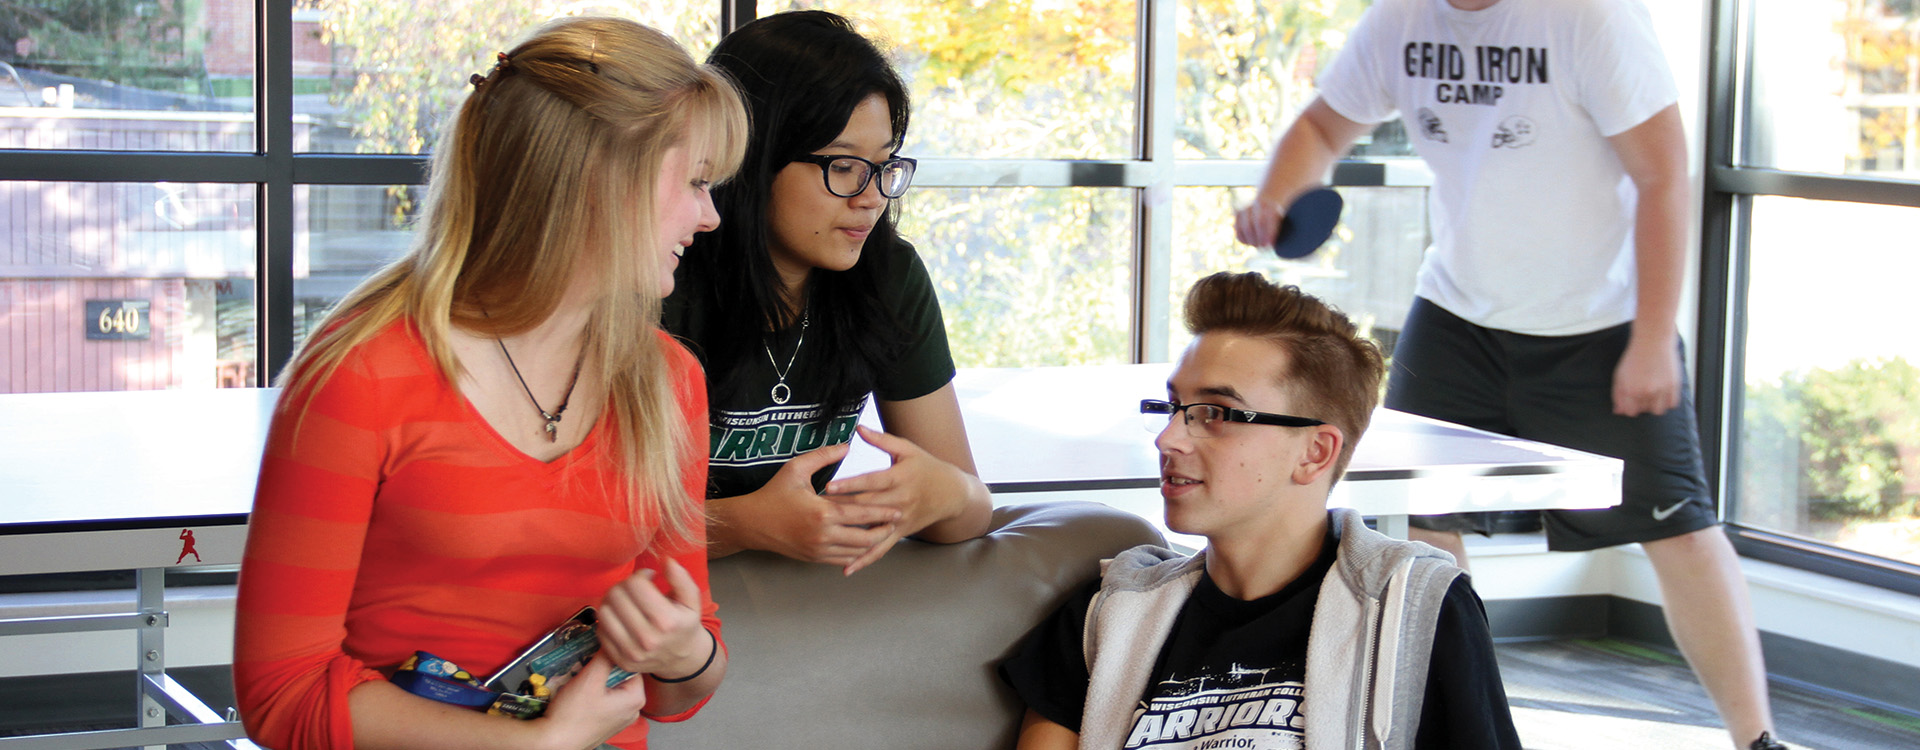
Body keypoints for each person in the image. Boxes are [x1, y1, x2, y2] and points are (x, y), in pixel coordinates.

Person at [1232, 1, 1783, 748]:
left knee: (1678, 527)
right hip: (1458, 314)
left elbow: (1661, 176)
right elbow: (1324, 126)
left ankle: (1756, 738)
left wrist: (1652, 337)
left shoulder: (1592, 19)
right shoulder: (1400, 19)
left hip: (1600, 324)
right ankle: (1466, 725)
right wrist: (1277, 194)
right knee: (1421, 527)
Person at [232, 17, 747, 750]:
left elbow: (681, 690)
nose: (710, 215)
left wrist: (683, 651)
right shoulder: (359, 373)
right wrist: (532, 745)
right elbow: (282, 696)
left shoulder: (669, 382)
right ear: (599, 177)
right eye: (696, 181)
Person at [1000, 272, 1520, 749]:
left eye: (1216, 414)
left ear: (1315, 452)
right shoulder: (1106, 617)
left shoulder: (1415, 608)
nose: (1168, 437)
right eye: (1174, 407)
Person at [667, 10, 991, 576]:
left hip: (793, 600)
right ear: (748, 159)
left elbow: (965, 512)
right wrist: (746, 522)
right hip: (651, 600)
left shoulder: (887, 275)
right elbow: (585, 526)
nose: (871, 197)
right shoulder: (665, 274)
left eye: (884, 165)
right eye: (843, 166)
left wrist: (948, 495)